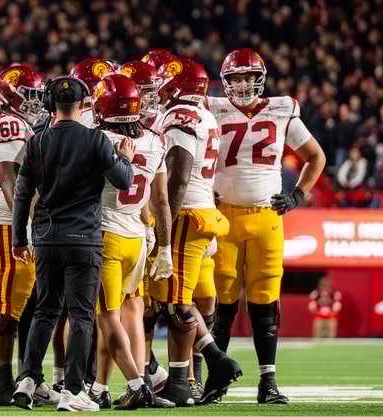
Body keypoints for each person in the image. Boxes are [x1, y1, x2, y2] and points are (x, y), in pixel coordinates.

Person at [207, 48, 327, 404]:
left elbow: (315, 157)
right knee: (222, 304)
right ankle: (217, 379)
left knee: (264, 303)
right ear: (225, 81)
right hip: (223, 217)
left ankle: (268, 382)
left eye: (248, 77)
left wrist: (297, 195)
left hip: (266, 217)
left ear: (259, 78)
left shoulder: (281, 109)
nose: (243, 84)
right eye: (236, 77)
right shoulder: (209, 108)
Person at [10, 76, 135, 412]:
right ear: (84, 104)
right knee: (81, 316)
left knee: (45, 311)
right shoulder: (96, 138)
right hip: (83, 238)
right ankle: (73, 390)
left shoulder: (36, 142)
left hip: (46, 238)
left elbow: (22, 194)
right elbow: (123, 181)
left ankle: (28, 378)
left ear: (51, 105)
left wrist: (18, 238)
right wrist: (126, 158)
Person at [150, 57, 244, 406]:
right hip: (203, 210)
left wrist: (163, 234)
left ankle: (180, 381)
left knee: (175, 303)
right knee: (184, 299)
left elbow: (177, 178)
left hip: (186, 213)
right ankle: (208, 364)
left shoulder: (180, 116)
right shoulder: (203, 113)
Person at [86, 74, 170, 410]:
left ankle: (137, 386)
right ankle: (102, 385)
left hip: (106, 235)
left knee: (106, 317)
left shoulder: (95, 140)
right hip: (139, 236)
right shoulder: (154, 139)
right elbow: (159, 197)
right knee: (129, 313)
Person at [0, 65, 58, 406]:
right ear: (11, 95)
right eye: (31, 94)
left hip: (7, 219)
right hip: (7, 220)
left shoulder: (20, 124)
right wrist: (25, 226)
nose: (37, 102)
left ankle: (24, 377)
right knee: (9, 303)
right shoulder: (6, 124)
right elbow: (10, 178)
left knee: (23, 301)